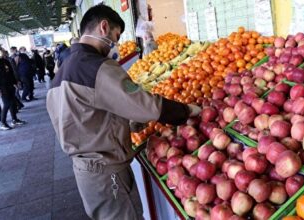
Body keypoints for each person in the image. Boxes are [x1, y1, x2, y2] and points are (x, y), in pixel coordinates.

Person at [46, 5, 201, 220]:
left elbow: (84, 119)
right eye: (116, 37)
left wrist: (124, 126)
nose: (116, 45)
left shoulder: (62, 73)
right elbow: (146, 105)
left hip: (86, 172)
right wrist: (187, 110)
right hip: (107, 172)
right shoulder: (94, 67)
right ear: (104, 27)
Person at [0, 50, 26, 130]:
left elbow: (11, 72)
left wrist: (15, 82)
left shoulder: (5, 61)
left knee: (13, 103)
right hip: (2, 87)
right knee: (7, 103)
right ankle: (3, 123)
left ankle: (14, 119)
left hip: (10, 84)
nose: (2, 52)